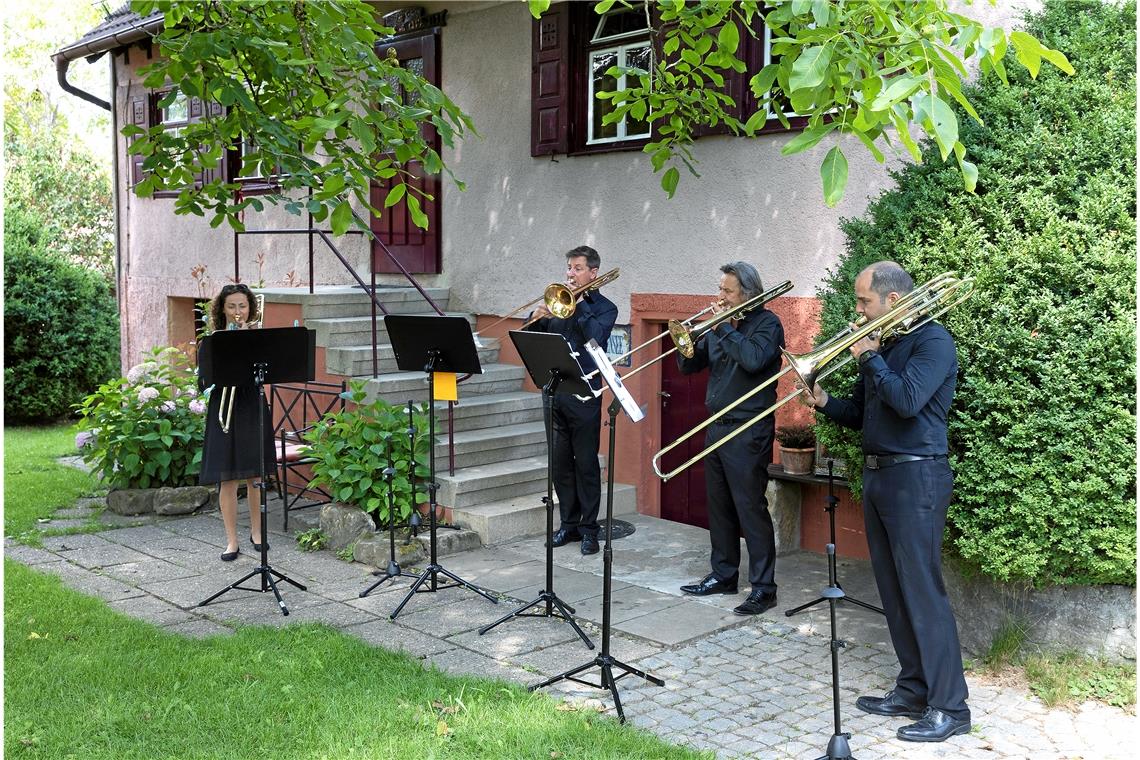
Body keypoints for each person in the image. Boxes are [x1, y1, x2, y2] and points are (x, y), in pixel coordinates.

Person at [799, 261, 971, 743]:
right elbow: (864, 413)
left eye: (863, 302)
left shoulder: (933, 341)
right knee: (893, 592)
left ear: (892, 301)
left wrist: (870, 358)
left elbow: (909, 400)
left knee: (922, 592)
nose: (857, 311)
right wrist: (824, 401)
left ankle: (951, 707)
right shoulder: (887, 345)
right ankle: (913, 689)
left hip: (917, 477)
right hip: (879, 478)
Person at [677, 262, 784, 616]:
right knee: (718, 504)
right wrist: (687, 345)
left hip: (748, 428)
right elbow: (691, 367)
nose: (719, 297)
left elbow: (753, 360)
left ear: (747, 294)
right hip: (717, 425)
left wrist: (723, 327)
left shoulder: (767, 324)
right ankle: (724, 574)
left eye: (727, 291)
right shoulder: (723, 327)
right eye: (720, 289)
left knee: (750, 508)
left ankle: (764, 587)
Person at [525, 245, 617, 556]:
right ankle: (569, 523)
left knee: (587, 464)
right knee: (560, 464)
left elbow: (597, 339)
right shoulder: (556, 303)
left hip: (585, 394)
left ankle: (590, 529)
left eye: (577, 268)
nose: (570, 273)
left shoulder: (605, 308)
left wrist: (579, 307)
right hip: (555, 392)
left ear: (593, 272)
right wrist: (536, 317)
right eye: (569, 267)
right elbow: (536, 339)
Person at [199, 283, 275, 562]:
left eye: (242, 306)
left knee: (255, 475)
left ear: (250, 308)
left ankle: (257, 532)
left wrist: (247, 342)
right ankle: (232, 540)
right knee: (227, 478)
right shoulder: (212, 339)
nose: (237, 312)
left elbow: (267, 371)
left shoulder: (257, 338)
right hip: (223, 406)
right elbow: (203, 381)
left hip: (250, 404)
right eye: (231, 306)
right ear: (222, 309)